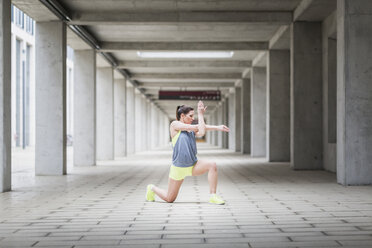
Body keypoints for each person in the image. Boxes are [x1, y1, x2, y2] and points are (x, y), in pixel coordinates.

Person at [146, 100, 229, 204]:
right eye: (190, 116)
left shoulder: (192, 130)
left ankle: (213, 196)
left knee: (212, 165)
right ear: (182, 116)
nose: (193, 118)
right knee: (169, 199)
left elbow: (201, 131)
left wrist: (216, 126)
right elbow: (194, 127)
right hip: (178, 168)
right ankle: (152, 188)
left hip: (193, 165)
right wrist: (200, 117)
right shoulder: (174, 125)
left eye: (194, 116)